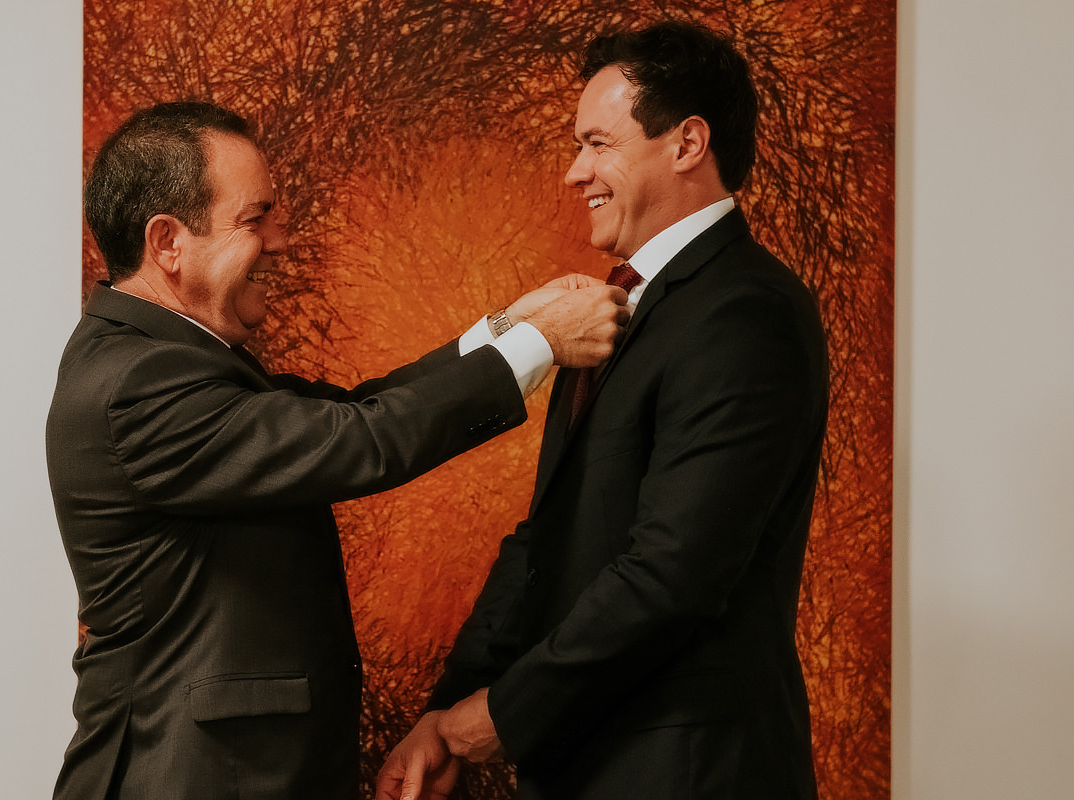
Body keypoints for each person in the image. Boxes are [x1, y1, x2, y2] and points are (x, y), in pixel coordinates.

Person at [46, 101, 628, 800]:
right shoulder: (138, 382)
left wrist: (510, 325)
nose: (281, 239)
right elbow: (360, 440)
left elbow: (346, 410)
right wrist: (542, 346)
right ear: (168, 242)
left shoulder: (166, 356)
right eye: (255, 219)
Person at [378, 20, 828, 800]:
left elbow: (673, 576)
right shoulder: (612, 307)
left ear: (688, 143)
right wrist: (449, 708)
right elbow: (545, 542)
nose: (573, 172)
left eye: (597, 143)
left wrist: (503, 714)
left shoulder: (749, 312)